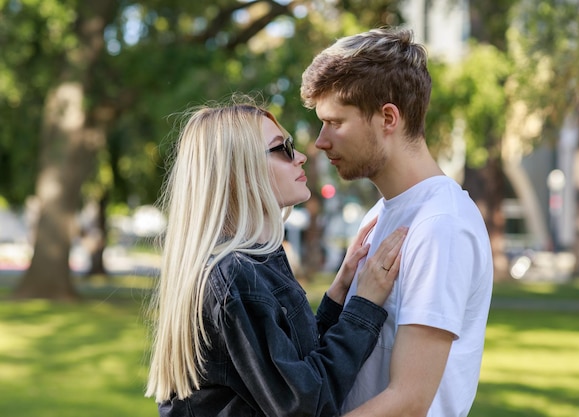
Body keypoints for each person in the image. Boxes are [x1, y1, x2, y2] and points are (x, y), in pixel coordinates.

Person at [144, 100, 408, 417]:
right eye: (281, 149)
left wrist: (338, 293)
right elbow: (304, 405)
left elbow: (292, 367)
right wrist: (364, 305)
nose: (298, 158)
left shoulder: (255, 261)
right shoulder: (235, 277)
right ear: (240, 172)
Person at [300, 27, 494, 417]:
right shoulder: (380, 214)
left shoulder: (441, 225)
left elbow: (408, 401)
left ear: (387, 117)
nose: (321, 141)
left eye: (335, 122)